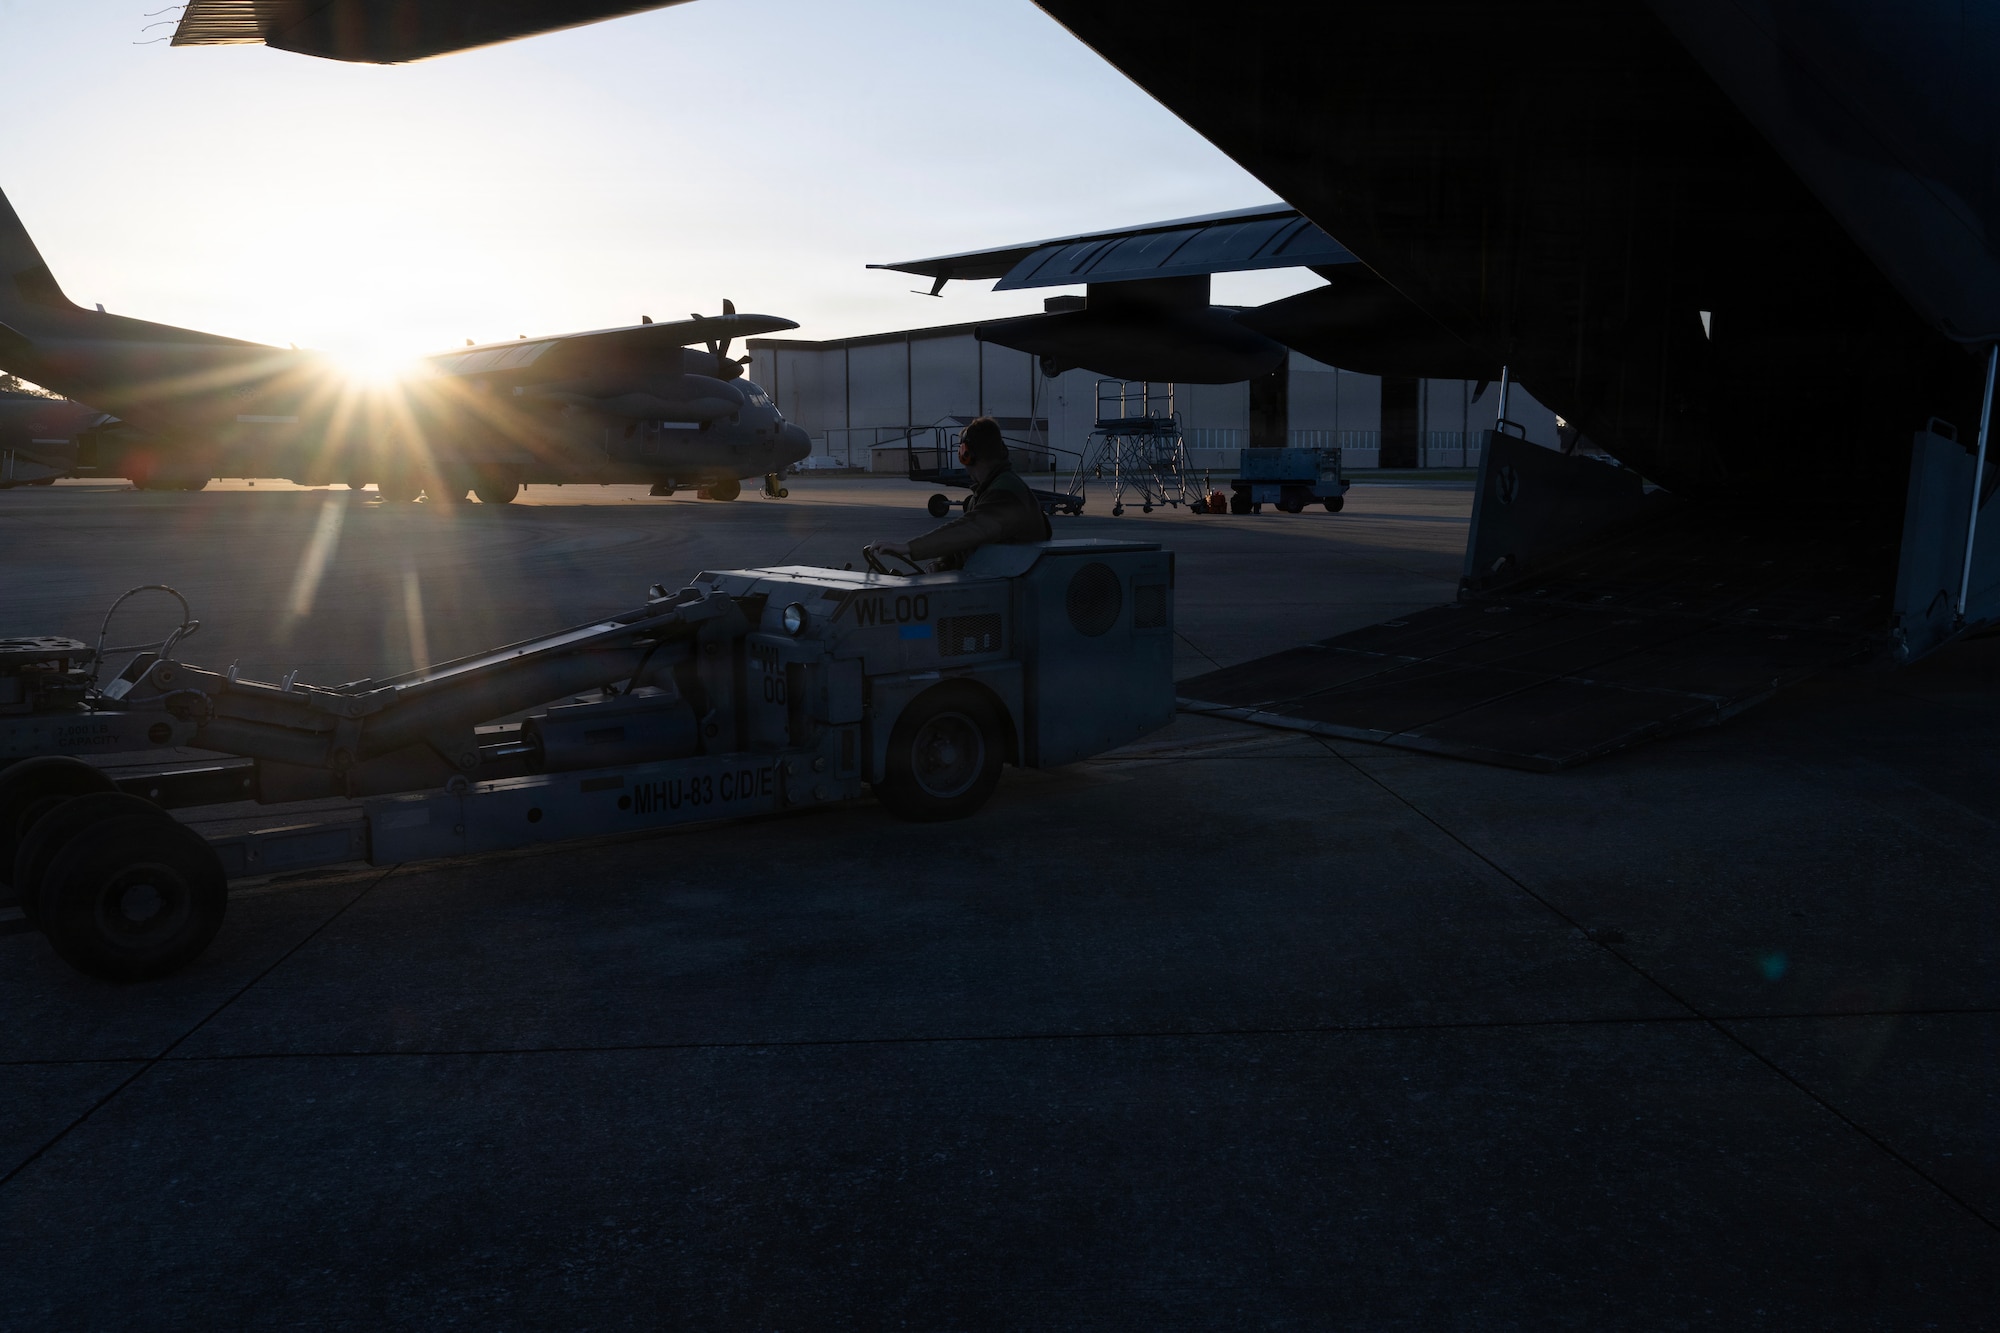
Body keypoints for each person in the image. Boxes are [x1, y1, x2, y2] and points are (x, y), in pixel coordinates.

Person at [873, 417, 1050, 570]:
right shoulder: (986, 492)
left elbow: (971, 528)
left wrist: (909, 547)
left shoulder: (1005, 491)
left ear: (967, 455)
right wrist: (943, 563)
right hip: (1001, 578)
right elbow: (968, 542)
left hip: (1014, 590)